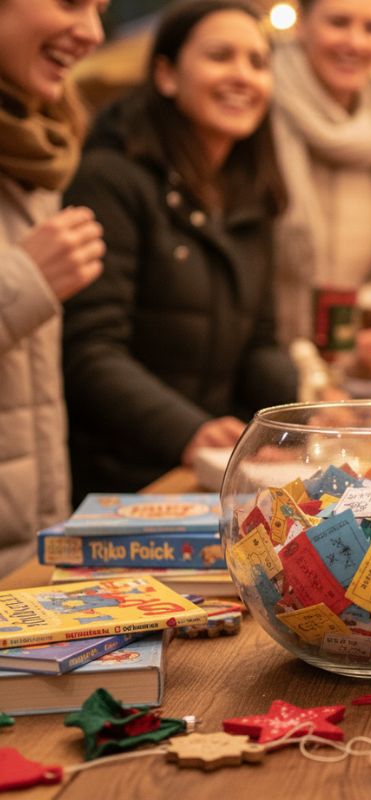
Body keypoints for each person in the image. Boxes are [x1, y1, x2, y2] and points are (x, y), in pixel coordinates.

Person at [62, 0, 297, 500]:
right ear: (166, 75)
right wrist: (189, 430)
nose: (243, 76)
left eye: (258, 62)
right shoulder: (111, 179)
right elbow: (89, 351)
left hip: (207, 475)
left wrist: (299, 417)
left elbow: (259, 344)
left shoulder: (253, 198)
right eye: (220, 56)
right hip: (123, 482)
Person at [0, 0, 106, 576]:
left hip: (28, 554)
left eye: (100, 8)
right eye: (70, 2)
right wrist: (23, 280)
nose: (91, 31)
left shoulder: (38, 149)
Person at [269, 0, 371, 350]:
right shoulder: (261, 112)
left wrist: (369, 334)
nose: (355, 42)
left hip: (354, 360)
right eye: (339, 23)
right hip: (268, 356)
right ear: (301, 25)